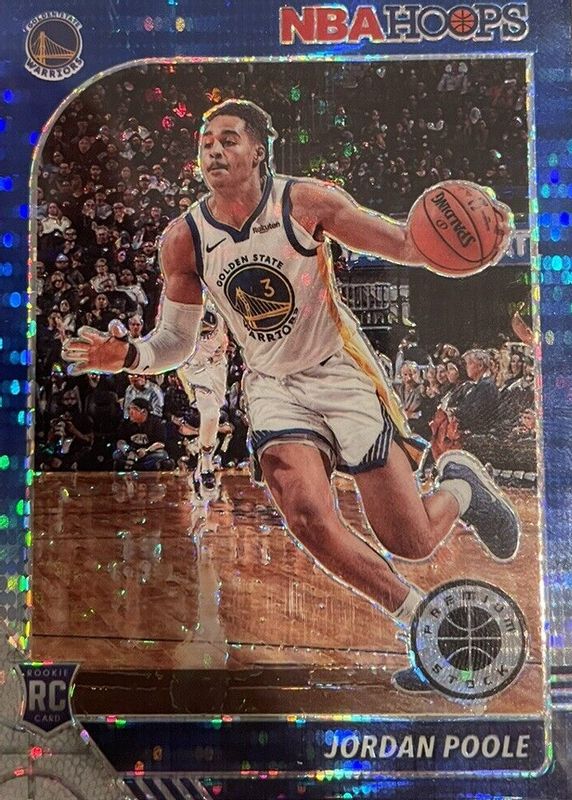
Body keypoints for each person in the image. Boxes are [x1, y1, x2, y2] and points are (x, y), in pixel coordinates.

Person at [63, 99, 518, 693]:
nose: (213, 150)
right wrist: (127, 356)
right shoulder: (184, 238)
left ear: (259, 151)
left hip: (339, 371)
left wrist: (482, 236)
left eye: (228, 139)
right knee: (305, 513)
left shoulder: (306, 202)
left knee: (410, 540)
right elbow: (175, 340)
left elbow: (408, 244)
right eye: (206, 142)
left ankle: (460, 483)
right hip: (273, 386)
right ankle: (422, 624)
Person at [177, 306, 229, 496]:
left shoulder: (217, 305)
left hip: (217, 365)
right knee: (211, 413)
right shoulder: (178, 321)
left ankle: (199, 468)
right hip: (194, 368)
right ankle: (207, 464)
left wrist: (224, 346)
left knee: (215, 415)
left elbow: (226, 332)